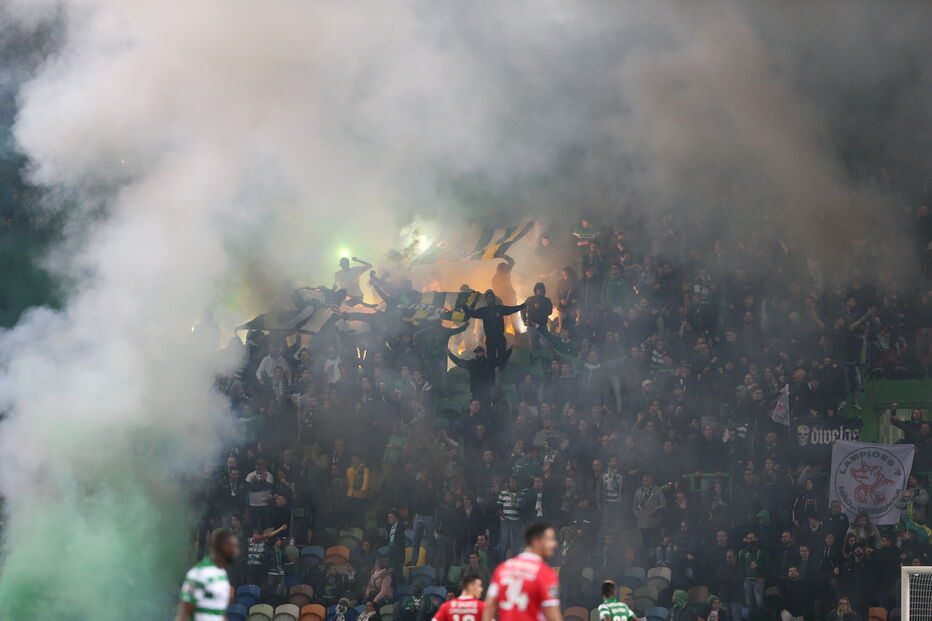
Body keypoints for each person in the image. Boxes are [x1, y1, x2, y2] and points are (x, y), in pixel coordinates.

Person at [482, 523, 562, 621]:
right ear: (536, 542)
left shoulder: (503, 568)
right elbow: (553, 616)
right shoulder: (546, 573)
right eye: (550, 540)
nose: (554, 544)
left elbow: (489, 606)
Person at [176, 528, 240, 621]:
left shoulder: (222, 573)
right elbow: (185, 610)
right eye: (234, 547)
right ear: (223, 547)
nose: (237, 552)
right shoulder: (198, 573)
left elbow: (219, 613)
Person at [461, 290, 525, 361]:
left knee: (502, 356)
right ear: (486, 299)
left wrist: (523, 306)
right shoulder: (483, 311)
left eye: (490, 297)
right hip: (490, 339)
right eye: (487, 297)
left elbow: (511, 309)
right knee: (491, 358)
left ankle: (502, 370)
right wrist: (464, 306)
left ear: (493, 298)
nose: (489, 299)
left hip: (500, 337)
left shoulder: (499, 308)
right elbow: (472, 313)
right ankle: (492, 371)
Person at [522, 283, 554, 350]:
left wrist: (540, 308)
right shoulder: (530, 299)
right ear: (535, 290)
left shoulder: (547, 300)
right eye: (538, 289)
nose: (539, 290)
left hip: (542, 326)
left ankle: (544, 359)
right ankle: (535, 359)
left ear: (544, 290)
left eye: (541, 289)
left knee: (546, 345)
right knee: (533, 346)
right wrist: (524, 320)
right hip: (531, 325)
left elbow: (550, 312)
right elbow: (522, 309)